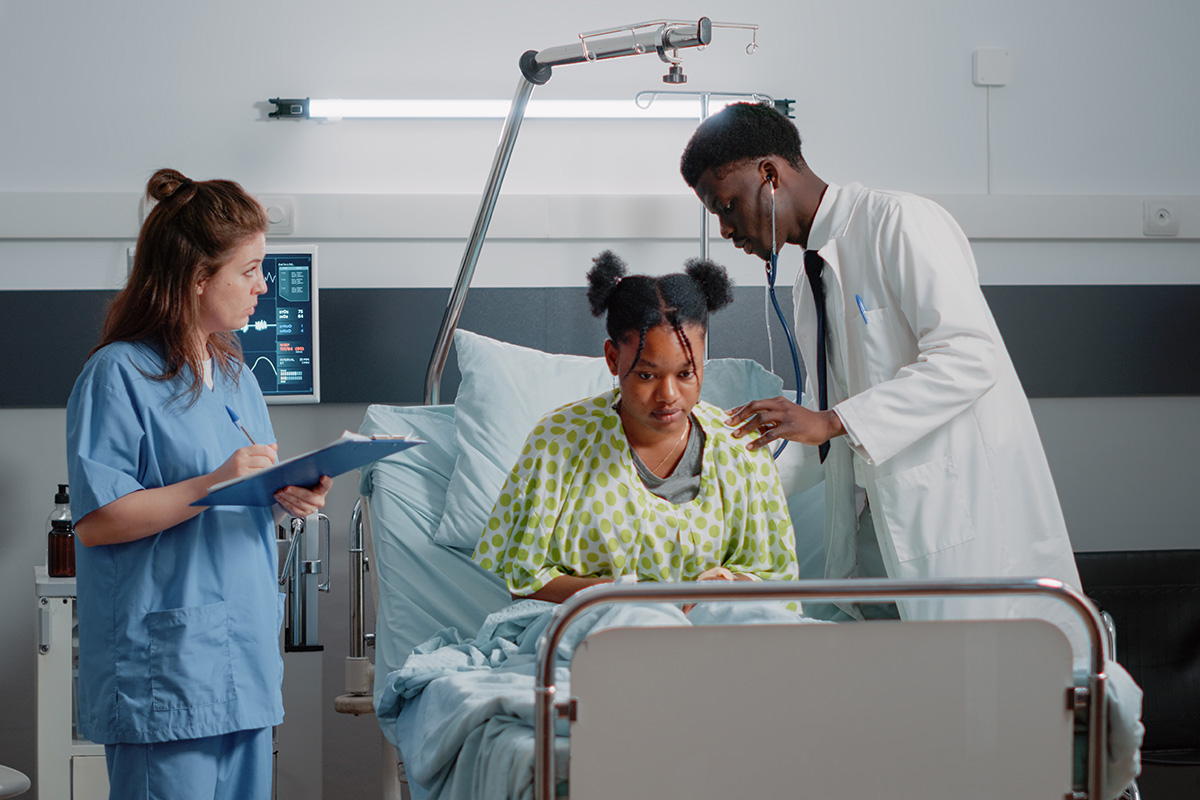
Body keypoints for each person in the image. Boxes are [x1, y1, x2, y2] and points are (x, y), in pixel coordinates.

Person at [679, 102, 1084, 636]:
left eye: (727, 205)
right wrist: (724, 481)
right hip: (879, 531)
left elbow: (969, 354)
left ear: (769, 176)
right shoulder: (810, 281)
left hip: (958, 522)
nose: (728, 230)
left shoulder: (898, 221)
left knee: (1000, 690)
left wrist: (830, 421)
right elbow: (824, 433)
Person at [66, 168, 332, 800]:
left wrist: (286, 495)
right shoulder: (118, 375)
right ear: (197, 277)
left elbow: (240, 490)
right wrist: (214, 482)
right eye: (249, 270)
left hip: (241, 653)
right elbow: (98, 521)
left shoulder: (236, 376)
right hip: (168, 666)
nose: (262, 286)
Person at [473, 251, 799, 602]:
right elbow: (524, 578)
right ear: (613, 359)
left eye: (686, 373)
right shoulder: (558, 443)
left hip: (711, 632)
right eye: (647, 375)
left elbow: (774, 579)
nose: (669, 395)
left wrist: (721, 589)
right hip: (598, 629)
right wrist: (628, 599)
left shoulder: (740, 447)